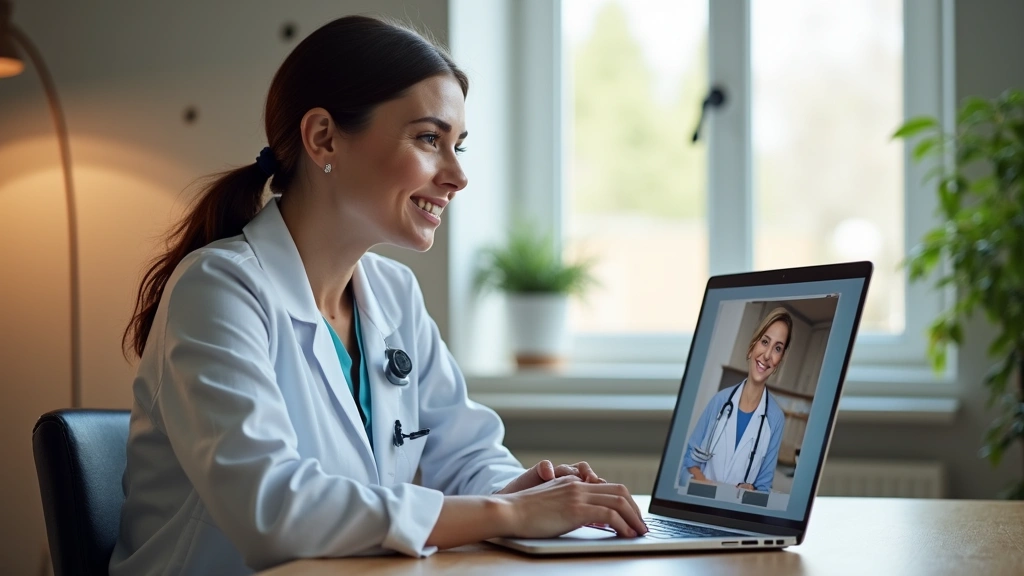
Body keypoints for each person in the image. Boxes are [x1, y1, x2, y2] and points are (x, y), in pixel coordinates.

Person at [109, 15, 646, 576]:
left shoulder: (393, 294)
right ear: (323, 137)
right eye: (429, 139)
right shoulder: (219, 289)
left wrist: (529, 494)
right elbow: (271, 509)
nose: (458, 176)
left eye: (458, 145)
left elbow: (465, 454)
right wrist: (504, 512)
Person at [681, 308, 789, 492]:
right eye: (764, 342)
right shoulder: (719, 401)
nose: (767, 355)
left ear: (780, 359)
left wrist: (752, 490)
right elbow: (689, 462)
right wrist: (707, 487)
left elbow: (764, 488)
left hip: (738, 515)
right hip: (701, 506)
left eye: (777, 348)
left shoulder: (776, 419)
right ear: (752, 346)